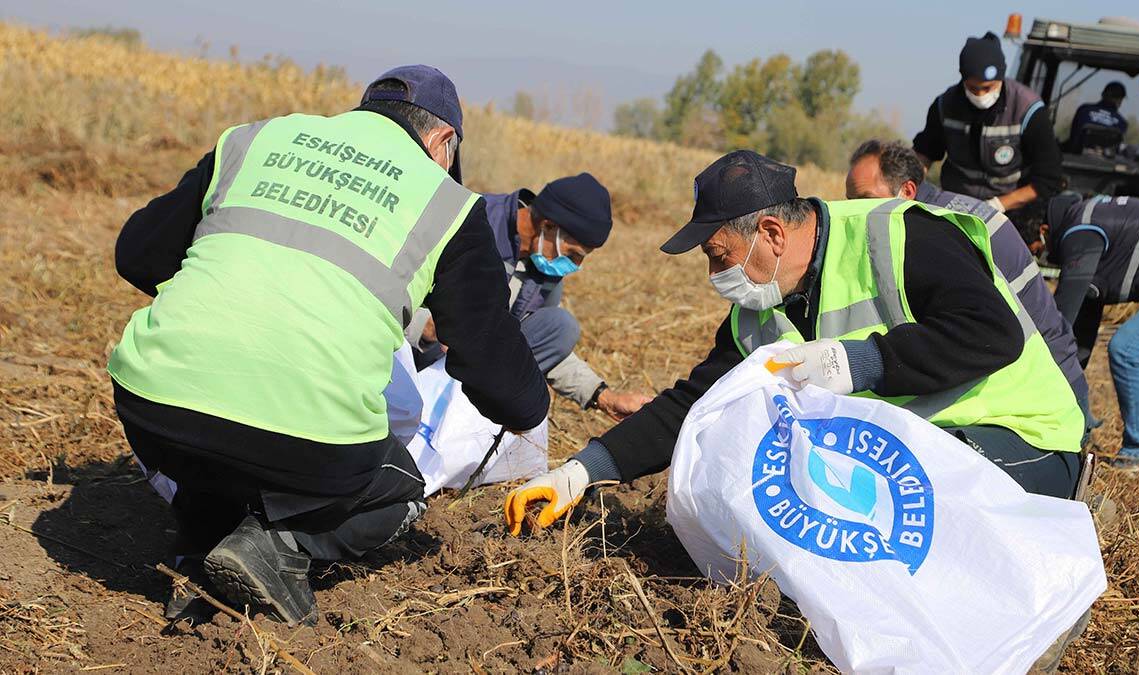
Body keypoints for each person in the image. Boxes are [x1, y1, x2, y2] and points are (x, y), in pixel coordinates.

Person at [107, 65, 549, 625]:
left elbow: (137, 254)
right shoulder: (446, 202)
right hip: (304, 444)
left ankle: (201, 544)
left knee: (222, 445)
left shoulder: (253, 139)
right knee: (400, 491)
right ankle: (279, 548)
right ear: (443, 141)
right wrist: (532, 406)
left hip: (151, 412)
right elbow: (497, 373)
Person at [505, 149, 1084, 540]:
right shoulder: (755, 312)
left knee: (901, 519)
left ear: (772, 234)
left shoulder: (902, 234)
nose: (715, 276)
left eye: (719, 256)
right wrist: (580, 472)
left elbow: (992, 332)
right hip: (908, 452)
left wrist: (861, 361)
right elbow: (692, 405)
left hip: (1019, 437)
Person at [845, 139, 1091, 421]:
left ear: (907, 191)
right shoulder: (941, 212)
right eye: (849, 202)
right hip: (1047, 376)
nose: (852, 212)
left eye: (863, 200)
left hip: (1050, 392)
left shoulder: (943, 228)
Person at [409, 175, 653, 419]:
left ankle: (466, 414)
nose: (576, 266)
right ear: (548, 226)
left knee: (559, 327)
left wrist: (604, 397)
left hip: (469, 368)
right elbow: (394, 283)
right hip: (416, 351)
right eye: (573, 254)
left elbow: (539, 348)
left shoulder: (545, 274)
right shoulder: (470, 223)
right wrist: (427, 325)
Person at [1011, 194, 1139, 467]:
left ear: (1044, 230)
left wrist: (1023, 374)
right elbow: (1080, 331)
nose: (1043, 257)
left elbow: (1060, 318)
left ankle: (1138, 454)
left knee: (1128, 349)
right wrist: (1074, 392)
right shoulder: (1090, 224)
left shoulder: (1081, 231)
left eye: (1037, 251)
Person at [913, 32, 1062, 213]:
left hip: (1009, 210)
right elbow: (925, 152)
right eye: (973, 88)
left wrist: (996, 206)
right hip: (956, 206)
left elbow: (1048, 179)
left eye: (987, 88)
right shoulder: (944, 106)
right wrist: (909, 184)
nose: (981, 95)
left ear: (1001, 78)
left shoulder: (1028, 110)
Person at [1065, 82, 1128, 155]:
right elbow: (1117, 148)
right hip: (1104, 160)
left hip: (1076, 156)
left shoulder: (1084, 110)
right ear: (1120, 100)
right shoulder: (1122, 122)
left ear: (1103, 94)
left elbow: (1073, 137)